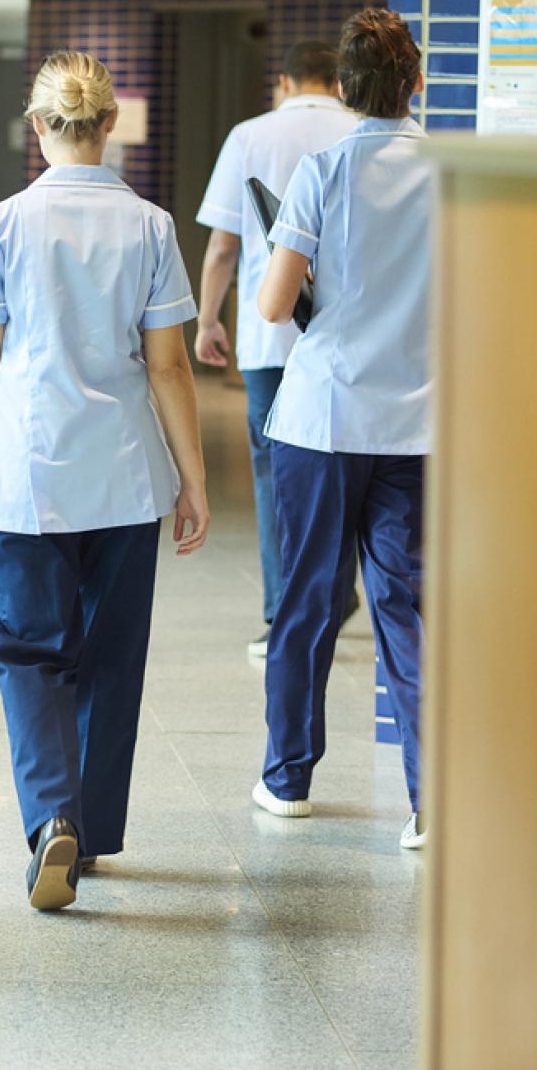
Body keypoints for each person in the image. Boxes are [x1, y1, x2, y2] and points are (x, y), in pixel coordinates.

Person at [0, 51, 212, 912]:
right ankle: (90, 832)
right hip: (126, 474)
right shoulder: (151, 226)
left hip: (27, 466)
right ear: (110, 128)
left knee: (29, 652)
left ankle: (50, 817)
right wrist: (193, 478)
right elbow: (169, 365)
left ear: (38, 130)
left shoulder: (3, 223)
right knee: (110, 657)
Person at [252, 10, 431, 851]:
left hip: (322, 423)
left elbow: (274, 305)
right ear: (417, 82)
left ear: (348, 91)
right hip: (418, 423)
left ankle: (288, 779)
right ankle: (431, 802)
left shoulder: (324, 170)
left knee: (307, 603)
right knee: (409, 607)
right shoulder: (452, 173)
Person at [194, 41, 360, 660]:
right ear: (336, 82)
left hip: (269, 336)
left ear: (285, 80)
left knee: (273, 470)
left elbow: (222, 247)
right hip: (345, 334)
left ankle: (281, 609)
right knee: (344, 463)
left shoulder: (249, 135)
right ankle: (337, 590)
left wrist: (209, 320)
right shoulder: (360, 131)